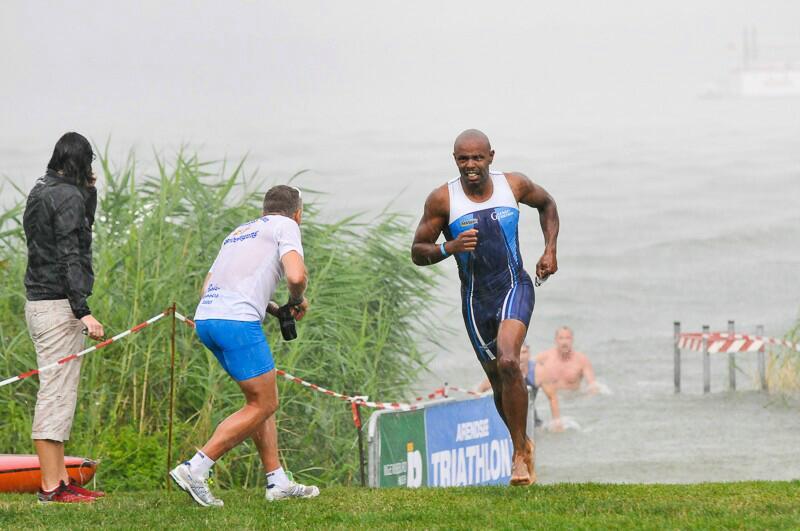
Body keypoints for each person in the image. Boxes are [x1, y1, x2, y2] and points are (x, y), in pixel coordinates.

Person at [411, 129, 559, 486]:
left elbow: (547, 205)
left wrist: (550, 250)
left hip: (514, 286)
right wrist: (449, 247)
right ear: (455, 160)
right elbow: (417, 251)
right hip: (476, 301)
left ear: (491, 156)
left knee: (509, 361)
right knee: (498, 381)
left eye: (477, 157)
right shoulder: (442, 200)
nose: (471, 165)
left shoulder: (514, 185)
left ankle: (519, 456)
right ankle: (523, 443)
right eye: (463, 159)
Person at [170, 185, 319, 507]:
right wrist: (296, 301)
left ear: (264, 210)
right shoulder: (286, 226)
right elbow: (296, 276)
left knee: (259, 401)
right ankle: (195, 469)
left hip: (207, 319)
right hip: (237, 323)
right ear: (297, 213)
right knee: (265, 403)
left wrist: (275, 309)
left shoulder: (239, 233)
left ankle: (277, 481)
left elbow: (208, 287)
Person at [23, 132, 106, 503]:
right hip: (58, 305)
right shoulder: (68, 196)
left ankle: (60, 481)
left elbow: (67, 235)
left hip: (39, 302)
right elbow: (70, 253)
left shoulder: (40, 189)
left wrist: (88, 192)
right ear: (81, 162)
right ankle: (50, 487)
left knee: (58, 392)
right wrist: (83, 311)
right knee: (55, 394)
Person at [535, 327, 598, 428]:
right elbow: (529, 376)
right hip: (547, 403)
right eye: (561, 338)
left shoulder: (582, 360)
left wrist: (588, 402)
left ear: (572, 340)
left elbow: (593, 386)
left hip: (574, 402)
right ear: (556, 340)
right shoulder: (543, 358)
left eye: (567, 338)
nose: (564, 342)